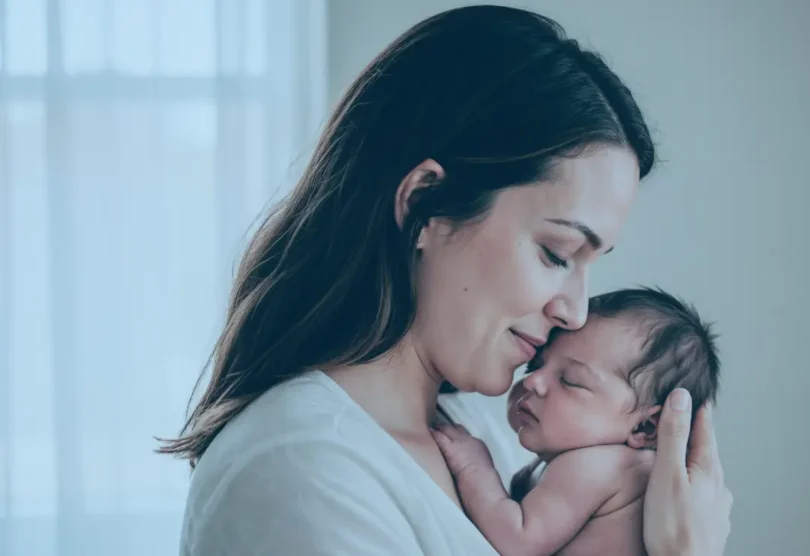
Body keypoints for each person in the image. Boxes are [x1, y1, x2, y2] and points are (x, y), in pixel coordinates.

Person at [157, 5, 732, 555]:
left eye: (592, 263)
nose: (575, 312)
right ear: (425, 204)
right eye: (557, 253)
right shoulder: (304, 471)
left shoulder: (498, 428)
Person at [431, 287, 721, 556]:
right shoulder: (597, 463)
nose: (533, 381)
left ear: (644, 427)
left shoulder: (600, 466)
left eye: (570, 381)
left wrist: (475, 468)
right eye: (537, 365)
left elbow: (517, 541)